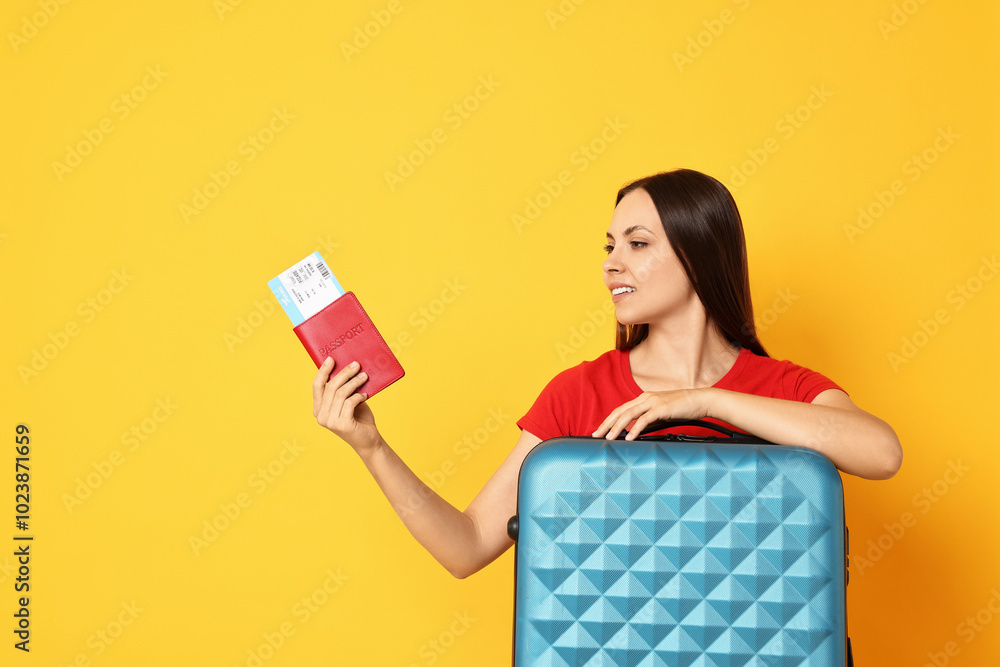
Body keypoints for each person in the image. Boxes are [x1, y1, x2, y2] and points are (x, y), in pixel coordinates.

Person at [311, 168, 903, 579]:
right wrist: (372, 447)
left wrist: (703, 403)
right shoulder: (580, 393)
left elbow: (881, 453)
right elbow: (465, 547)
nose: (611, 264)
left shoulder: (785, 390)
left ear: (699, 255)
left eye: (638, 243)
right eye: (610, 245)